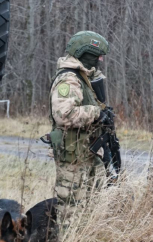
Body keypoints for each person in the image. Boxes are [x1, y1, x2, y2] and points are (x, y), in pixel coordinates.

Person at [48, 31, 110, 220]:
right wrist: (96, 113)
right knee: (71, 211)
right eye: (97, 56)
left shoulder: (85, 78)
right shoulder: (69, 79)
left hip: (86, 153)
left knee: (90, 209)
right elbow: (64, 115)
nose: (99, 61)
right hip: (73, 156)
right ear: (86, 54)